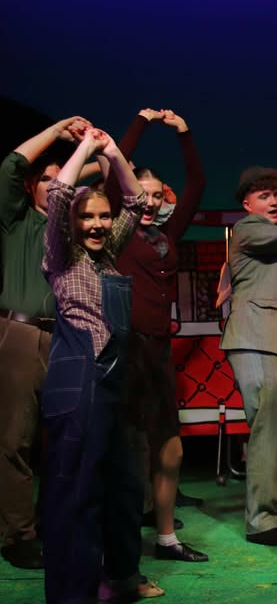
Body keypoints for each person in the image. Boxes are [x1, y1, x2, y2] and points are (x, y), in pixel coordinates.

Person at [41, 124, 154, 603]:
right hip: (80, 379)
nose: (97, 224)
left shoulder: (108, 254)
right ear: (72, 222)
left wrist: (113, 152)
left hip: (114, 382)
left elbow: (134, 203)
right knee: (78, 495)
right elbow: (60, 193)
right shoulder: (62, 255)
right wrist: (86, 145)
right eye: (87, 217)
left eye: (102, 217)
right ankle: (74, 593)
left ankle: (122, 577)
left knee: (124, 490)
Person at [105, 108, 208, 562]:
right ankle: (119, 545)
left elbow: (197, 184)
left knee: (171, 449)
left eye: (153, 195)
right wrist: (139, 125)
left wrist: (184, 133)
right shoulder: (120, 233)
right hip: (125, 349)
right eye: (139, 194)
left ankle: (166, 538)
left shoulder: (170, 232)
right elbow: (115, 168)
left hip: (159, 352)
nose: (147, 203)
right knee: (126, 453)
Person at [0, 116, 93, 570]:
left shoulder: (70, 230)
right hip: (18, 333)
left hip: (62, 337)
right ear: (33, 187)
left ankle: (47, 522)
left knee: (60, 439)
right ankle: (17, 535)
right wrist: (58, 133)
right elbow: (11, 166)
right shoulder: (16, 221)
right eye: (49, 182)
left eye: (65, 182)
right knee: (14, 438)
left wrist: (96, 145)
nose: (59, 187)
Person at [220, 165, 277, 547]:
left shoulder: (272, 240)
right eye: (264, 195)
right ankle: (261, 520)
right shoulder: (248, 228)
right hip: (257, 339)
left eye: (276, 194)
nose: (274, 200)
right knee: (269, 430)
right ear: (247, 204)